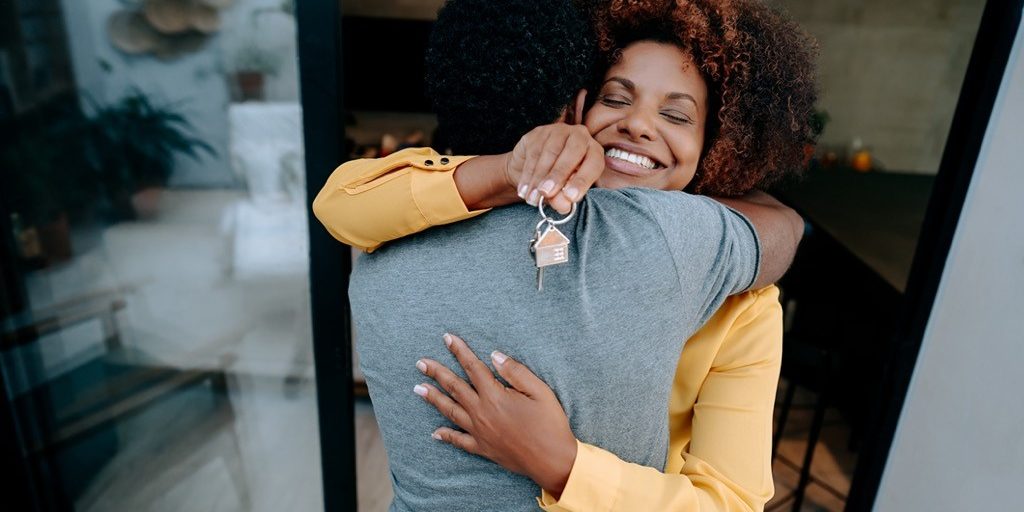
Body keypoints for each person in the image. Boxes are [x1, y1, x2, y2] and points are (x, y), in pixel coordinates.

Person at [313, 0, 817, 510]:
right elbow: (342, 202)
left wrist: (563, 464)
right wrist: (510, 171)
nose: (638, 126)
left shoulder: (739, 301)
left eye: (674, 114)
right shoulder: (501, 215)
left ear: (716, 146)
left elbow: (731, 501)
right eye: (616, 99)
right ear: (577, 109)